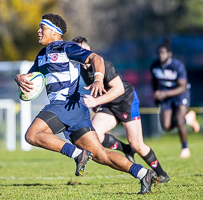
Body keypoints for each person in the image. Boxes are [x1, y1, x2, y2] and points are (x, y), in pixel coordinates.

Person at [15, 13, 156, 194]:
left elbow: (96, 58)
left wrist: (98, 79)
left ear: (56, 33)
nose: (38, 31)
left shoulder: (66, 48)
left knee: (32, 135)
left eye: (42, 28)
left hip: (65, 103)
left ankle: (77, 154)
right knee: (100, 155)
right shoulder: (42, 55)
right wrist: (19, 78)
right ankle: (144, 173)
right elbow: (28, 78)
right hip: (75, 109)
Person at [72, 36, 170, 184]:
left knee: (136, 144)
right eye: (77, 52)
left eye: (83, 50)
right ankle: (125, 148)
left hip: (126, 101)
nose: (81, 54)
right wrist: (95, 102)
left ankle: (162, 174)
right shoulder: (81, 68)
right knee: (94, 135)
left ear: (89, 49)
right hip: (108, 104)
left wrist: (96, 101)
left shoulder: (102, 63)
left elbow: (119, 89)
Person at [150, 38, 200, 159]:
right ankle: (188, 119)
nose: (160, 55)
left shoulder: (177, 66)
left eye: (163, 53)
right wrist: (156, 96)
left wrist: (165, 94)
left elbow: (183, 87)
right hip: (166, 97)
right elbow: (154, 82)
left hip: (180, 95)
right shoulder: (155, 66)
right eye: (158, 53)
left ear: (169, 54)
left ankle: (185, 148)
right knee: (166, 127)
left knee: (178, 118)